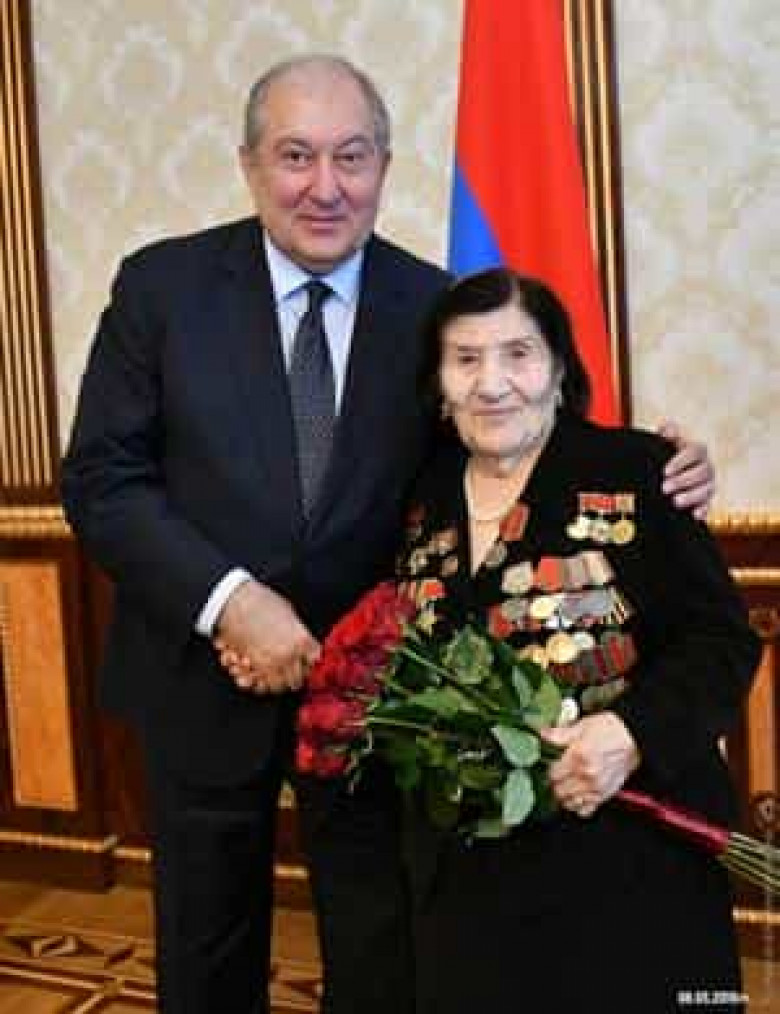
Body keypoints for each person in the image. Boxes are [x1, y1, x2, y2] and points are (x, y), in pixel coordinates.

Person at [62, 54, 716, 1014]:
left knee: (379, 945)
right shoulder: (162, 288)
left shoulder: (433, 307)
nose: (325, 186)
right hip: (201, 674)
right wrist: (231, 602)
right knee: (205, 946)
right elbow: (102, 478)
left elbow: (512, 439)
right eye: (296, 156)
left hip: (383, 696)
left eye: (353, 156)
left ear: (385, 165)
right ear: (250, 164)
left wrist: (658, 465)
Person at [394, 268, 760, 1014]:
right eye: (465, 359)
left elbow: (721, 640)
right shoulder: (417, 494)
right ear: (439, 380)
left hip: (628, 859)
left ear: (559, 367)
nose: (491, 383)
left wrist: (632, 732)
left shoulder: (639, 472)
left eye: (518, 354)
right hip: (470, 876)